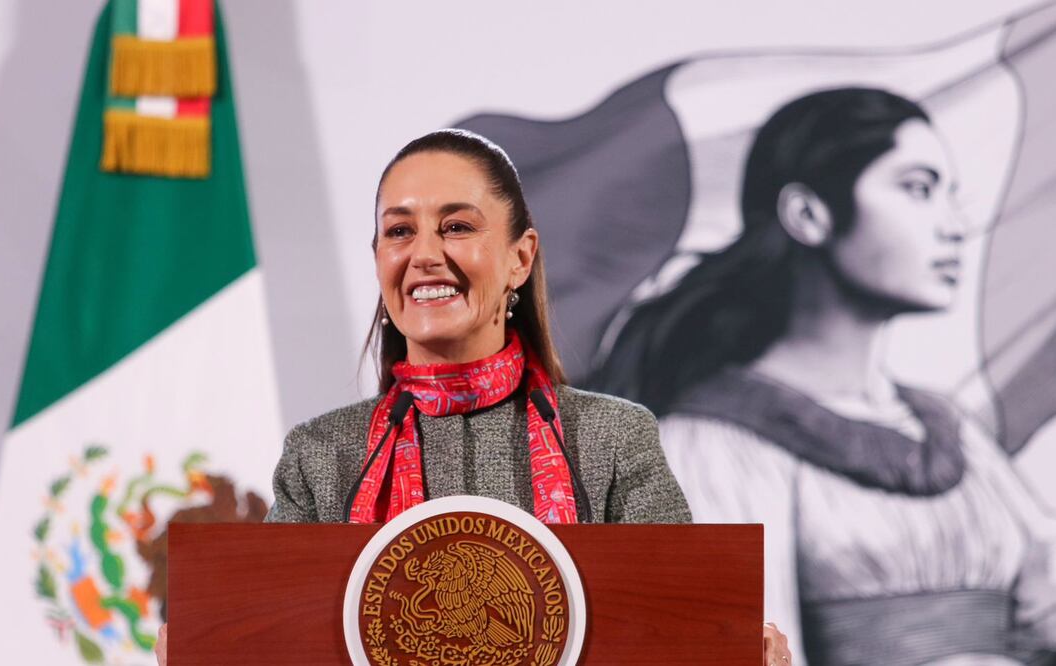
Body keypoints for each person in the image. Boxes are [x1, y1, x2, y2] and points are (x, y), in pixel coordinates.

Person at [155, 129, 792, 665]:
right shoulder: (320, 456)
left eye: (456, 226)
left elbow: (680, 632)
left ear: (520, 258)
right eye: (399, 232)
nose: (424, 255)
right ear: (378, 258)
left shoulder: (612, 439)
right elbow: (274, 646)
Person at [590, 88, 1056, 665]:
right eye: (917, 189)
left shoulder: (955, 434)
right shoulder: (705, 448)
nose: (955, 226)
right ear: (808, 215)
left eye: (949, 195)